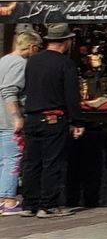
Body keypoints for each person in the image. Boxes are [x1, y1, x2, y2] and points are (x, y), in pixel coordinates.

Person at [19, 22, 82, 218]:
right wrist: (78, 121)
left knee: (31, 162)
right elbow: (71, 95)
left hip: (32, 116)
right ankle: (48, 205)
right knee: (51, 162)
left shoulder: (33, 61)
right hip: (54, 117)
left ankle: (29, 203)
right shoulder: (65, 63)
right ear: (66, 42)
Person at [0, 30, 37, 216]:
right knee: (12, 159)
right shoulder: (19, 63)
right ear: (31, 46)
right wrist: (16, 117)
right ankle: (8, 200)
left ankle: (3, 198)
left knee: (3, 159)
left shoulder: (4, 60)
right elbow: (9, 91)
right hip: (7, 120)